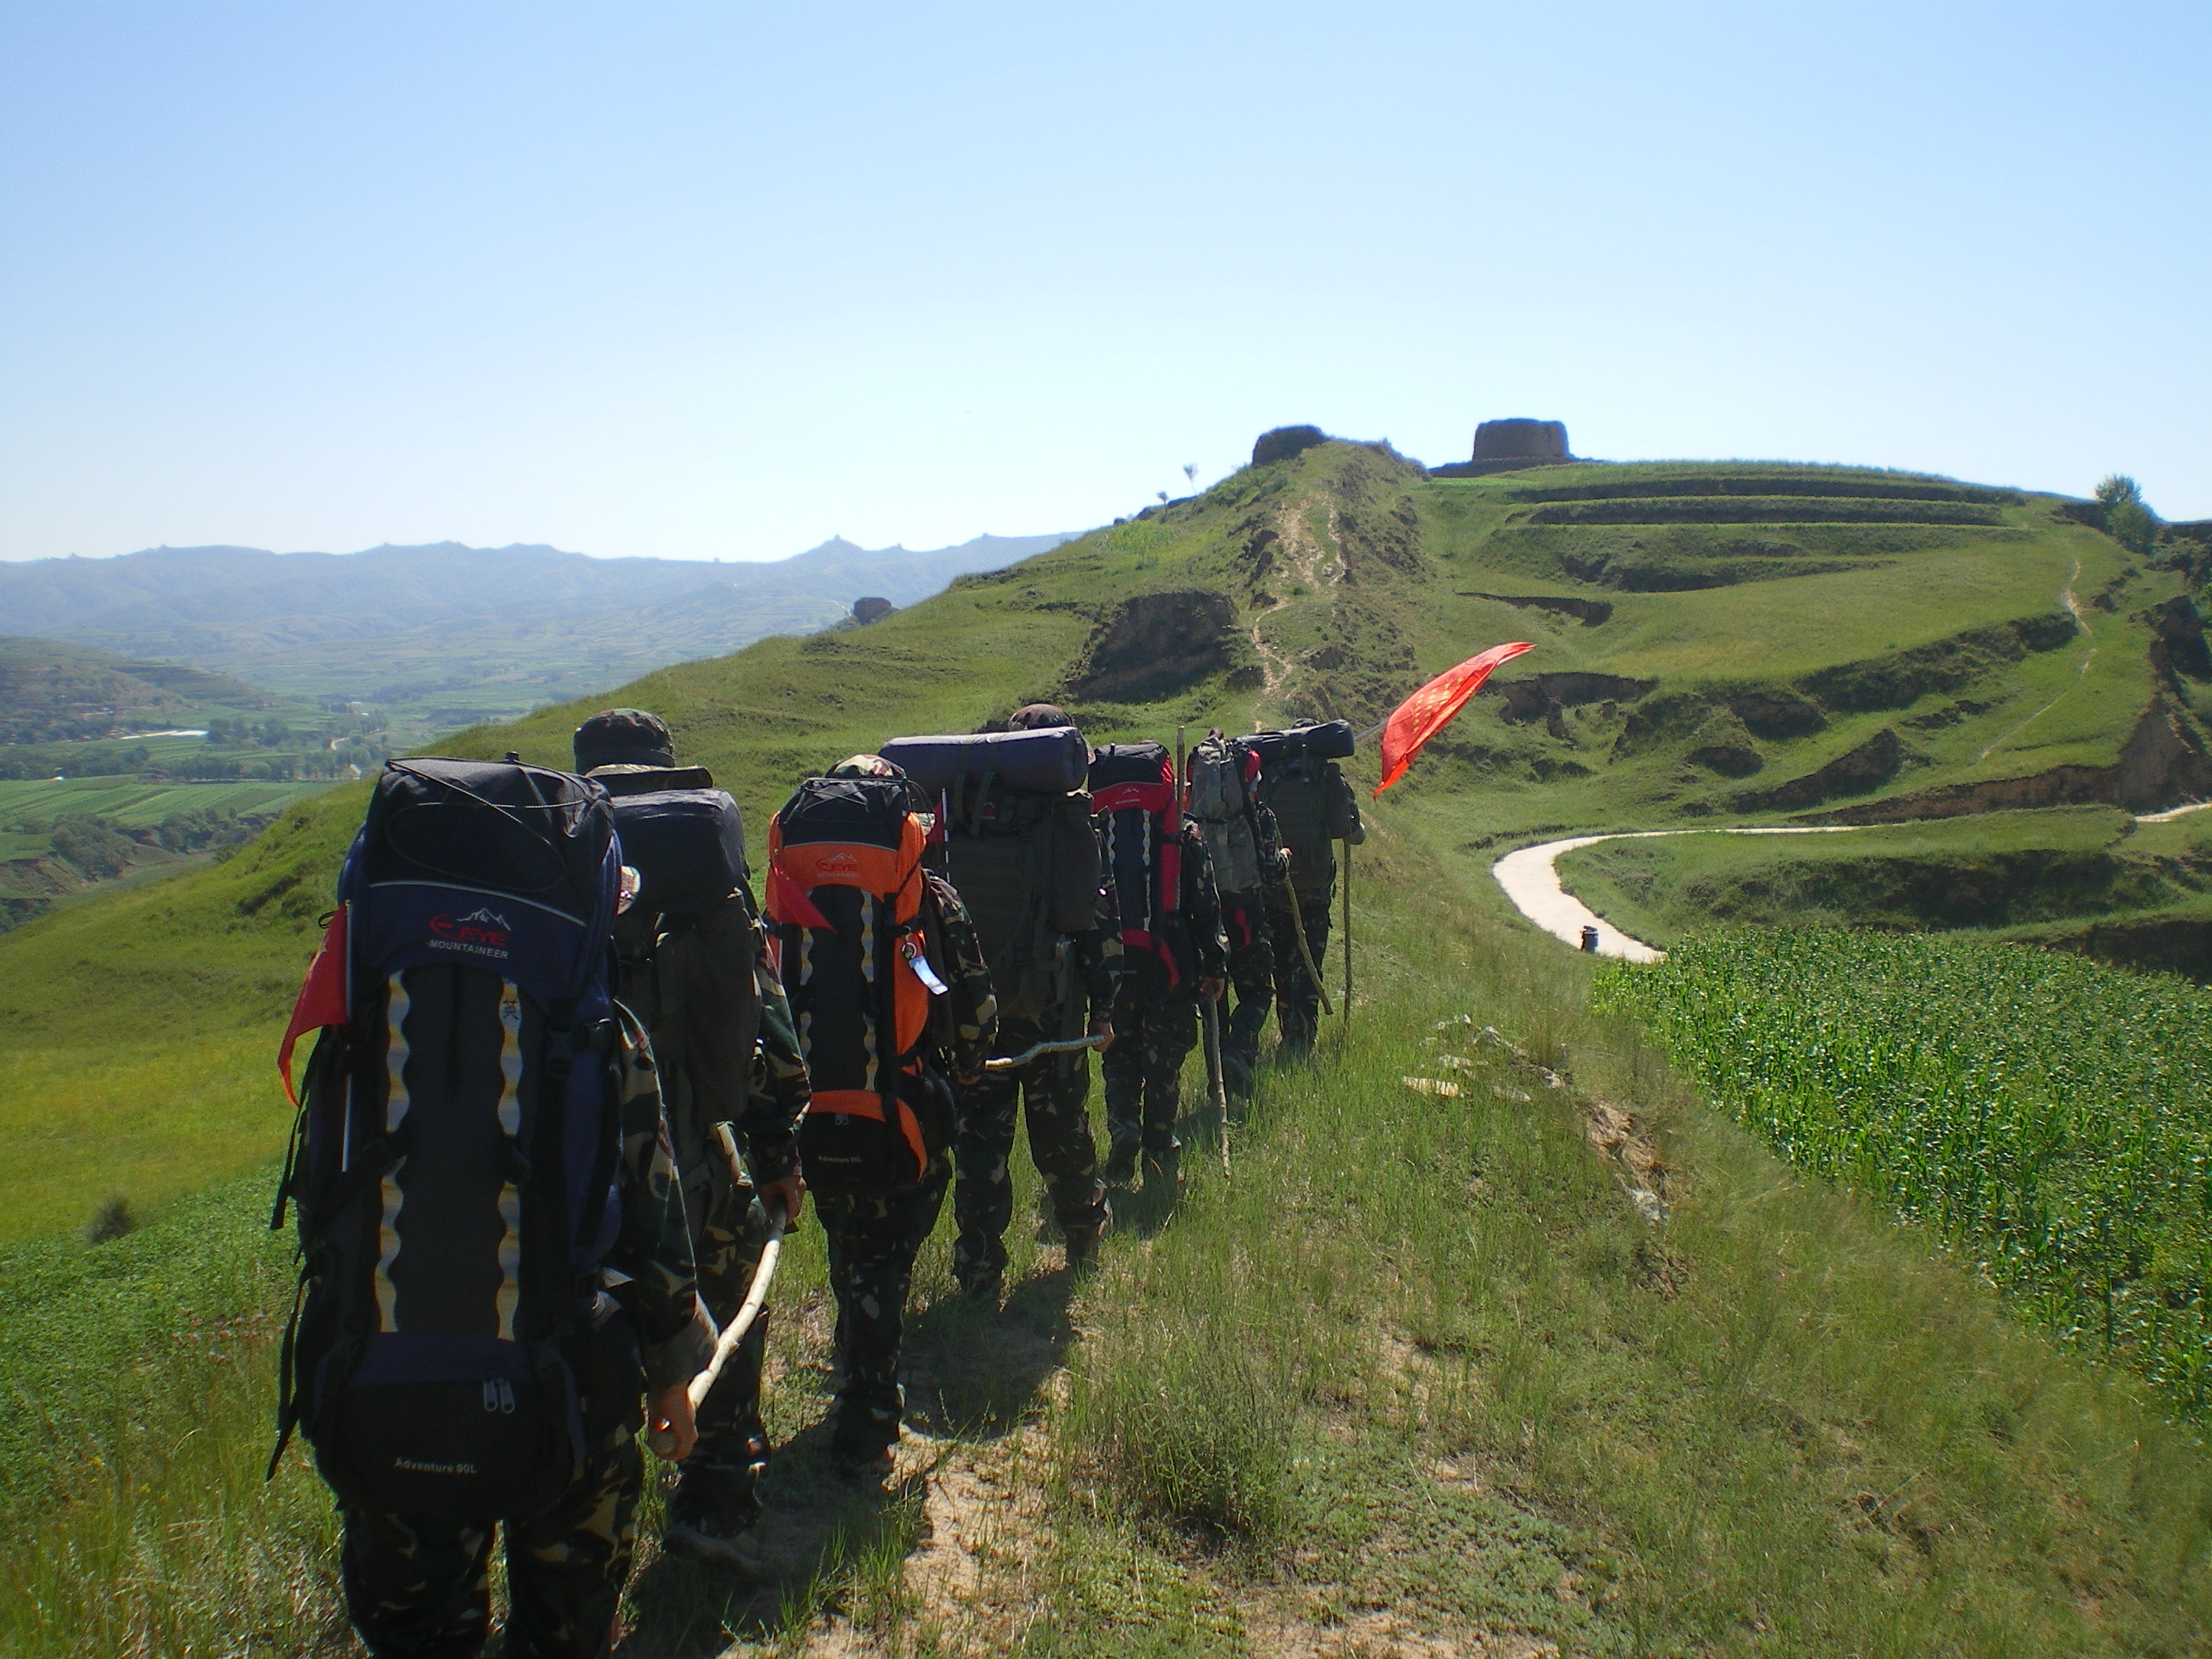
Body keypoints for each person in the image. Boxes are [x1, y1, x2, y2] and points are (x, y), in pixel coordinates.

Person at [572, 709, 811, 1571]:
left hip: (572, 1186)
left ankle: (586, 1543)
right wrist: (781, 1158)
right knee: (733, 1302)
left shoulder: (556, 871)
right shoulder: (703, 874)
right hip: (694, 1171)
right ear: (665, 771)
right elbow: (768, 1032)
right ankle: (714, 1498)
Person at [769, 755, 997, 1478]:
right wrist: (966, 1061)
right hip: (904, 1113)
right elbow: (975, 1007)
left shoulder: (785, 894)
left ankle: (857, 1358)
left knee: (851, 1251)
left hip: (815, 1110)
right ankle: (868, 1414)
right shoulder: (932, 896)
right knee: (887, 1260)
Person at [949, 703, 1120, 1300]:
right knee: (1064, 1133)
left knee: (979, 1146)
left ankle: (977, 1270)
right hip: (1052, 1008)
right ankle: (1082, 1235)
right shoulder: (1067, 821)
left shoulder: (967, 810)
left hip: (977, 1014)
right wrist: (1105, 1003)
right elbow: (1089, 918)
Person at [1096, 752, 1228, 1189]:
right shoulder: (1183, 833)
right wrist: (1214, 964)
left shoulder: (1096, 828)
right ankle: (1159, 1141)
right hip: (1171, 963)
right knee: (1164, 1061)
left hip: (1111, 965)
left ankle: (1123, 1130)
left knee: (1118, 1056)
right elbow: (1206, 904)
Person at [1185, 729, 1282, 1104]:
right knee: (1257, 991)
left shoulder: (1188, 820)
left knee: (1212, 1002)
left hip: (1204, 921)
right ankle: (1240, 1052)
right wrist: (1285, 857)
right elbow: (1273, 871)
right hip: (1248, 915)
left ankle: (1218, 1085)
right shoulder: (1258, 816)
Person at [1255, 732, 1364, 1059]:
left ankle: (1288, 1030)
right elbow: (1348, 833)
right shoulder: (1327, 776)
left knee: (1283, 964)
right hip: (1314, 892)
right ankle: (1302, 1041)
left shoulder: (1268, 774)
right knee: (1309, 966)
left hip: (1275, 887)